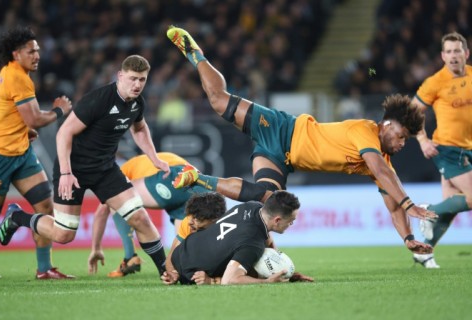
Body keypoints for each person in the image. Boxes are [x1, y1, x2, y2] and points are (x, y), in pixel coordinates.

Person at [167, 26, 437, 255]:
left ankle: (198, 178)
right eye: (401, 136)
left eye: (406, 140)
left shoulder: (381, 161)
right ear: (386, 125)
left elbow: (392, 205)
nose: (402, 144)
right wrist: (410, 204)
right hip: (281, 128)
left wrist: (408, 238)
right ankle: (195, 53)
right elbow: (382, 172)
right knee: (217, 101)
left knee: (266, 199)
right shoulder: (366, 132)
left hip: (281, 159)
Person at [0, 54, 171, 276]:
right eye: (133, 78)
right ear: (120, 76)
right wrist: (66, 173)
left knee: (140, 218)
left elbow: (139, 128)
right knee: (64, 235)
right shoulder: (99, 100)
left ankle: (167, 271)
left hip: (105, 170)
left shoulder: (137, 103)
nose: (137, 85)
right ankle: (16, 217)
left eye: (142, 80)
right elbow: (64, 133)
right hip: (74, 169)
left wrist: (154, 158)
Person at [0, 26, 74, 279]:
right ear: (16, 54)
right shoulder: (17, 77)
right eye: (31, 51)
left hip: (22, 153)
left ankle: (44, 268)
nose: (37, 55)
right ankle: (13, 217)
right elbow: (36, 118)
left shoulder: (7, 74)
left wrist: (19, 130)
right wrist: (60, 110)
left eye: (37, 50)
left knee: (45, 206)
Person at [87, 152, 224, 277]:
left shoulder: (118, 173)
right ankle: (209, 269)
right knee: (185, 249)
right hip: (191, 178)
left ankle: (130, 257)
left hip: (171, 177)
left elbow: (101, 211)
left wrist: (96, 248)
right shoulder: (141, 162)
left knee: (117, 200)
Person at [411, 32, 472, 269]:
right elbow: (414, 110)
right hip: (447, 149)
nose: (453, 56)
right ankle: (428, 210)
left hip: (468, 148)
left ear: (465, 53)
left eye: (457, 50)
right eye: (448, 51)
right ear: (442, 56)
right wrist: (423, 139)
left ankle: (424, 251)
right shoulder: (435, 82)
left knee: (451, 207)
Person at [162, 192, 313, 285]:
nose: (292, 223)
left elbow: (267, 239)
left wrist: (285, 271)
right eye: (291, 220)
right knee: (249, 268)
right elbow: (230, 279)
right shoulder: (253, 244)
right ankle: (213, 280)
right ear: (278, 220)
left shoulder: (252, 206)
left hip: (182, 250)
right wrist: (267, 281)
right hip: (189, 274)